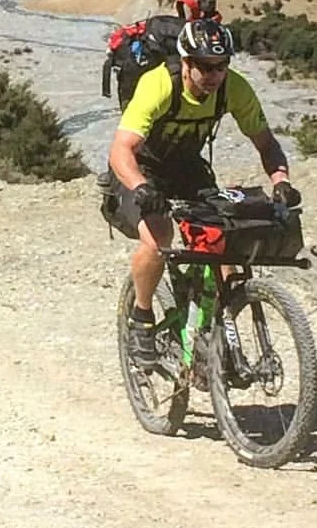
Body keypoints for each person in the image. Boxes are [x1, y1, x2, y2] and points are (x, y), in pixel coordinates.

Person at [105, 19, 301, 368]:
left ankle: (214, 332)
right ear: (186, 62)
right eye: (205, 67)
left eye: (221, 66)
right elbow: (121, 150)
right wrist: (142, 188)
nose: (214, 75)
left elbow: (266, 142)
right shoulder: (159, 85)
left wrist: (280, 180)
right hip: (140, 169)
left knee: (228, 238)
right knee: (158, 235)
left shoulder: (234, 88)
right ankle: (142, 317)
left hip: (186, 167)